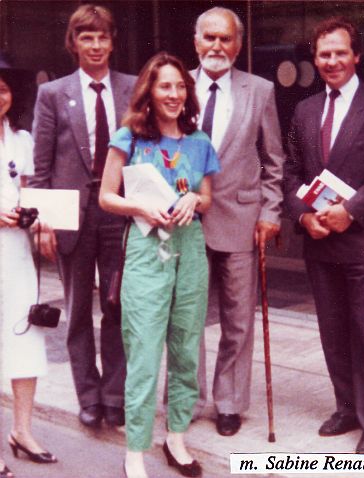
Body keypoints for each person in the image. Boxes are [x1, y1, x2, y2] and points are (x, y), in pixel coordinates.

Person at [283, 17, 364, 454]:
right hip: (319, 240)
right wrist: (303, 217)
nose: (331, 61)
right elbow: (291, 172)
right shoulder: (304, 110)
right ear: (314, 59)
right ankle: (347, 408)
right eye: (323, 54)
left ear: (357, 55)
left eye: (340, 52)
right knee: (333, 330)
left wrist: (349, 213)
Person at [99, 52, 219, 478]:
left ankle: (177, 437)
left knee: (186, 348)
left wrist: (193, 199)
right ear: (149, 90)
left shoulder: (199, 141)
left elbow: (205, 197)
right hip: (146, 250)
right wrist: (142, 208)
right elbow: (106, 197)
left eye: (180, 86)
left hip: (190, 248)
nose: (173, 94)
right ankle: (135, 450)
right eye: (165, 85)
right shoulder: (129, 137)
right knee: (145, 351)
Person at [29, 4, 135, 428]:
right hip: (71, 217)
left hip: (118, 211)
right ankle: (87, 397)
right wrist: (42, 221)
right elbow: (40, 168)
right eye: (86, 37)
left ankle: (114, 395)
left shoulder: (131, 88)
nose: (95, 45)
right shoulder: (53, 93)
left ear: (113, 42)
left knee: (117, 306)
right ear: (73, 44)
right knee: (76, 312)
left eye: (102, 37)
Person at [190, 6, 285, 436]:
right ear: (196, 42)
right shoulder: (175, 86)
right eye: (209, 37)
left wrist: (269, 212)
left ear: (239, 45)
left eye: (225, 39)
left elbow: (273, 160)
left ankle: (229, 402)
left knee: (238, 319)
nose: (216, 46)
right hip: (186, 221)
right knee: (187, 317)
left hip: (241, 219)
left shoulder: (260, 90)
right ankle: (187, 398)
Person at [0, 60, 57, 478]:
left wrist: (36, 217)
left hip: (18, 257)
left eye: (3, 88)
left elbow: (34, 191)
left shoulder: (21, 140)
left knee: (26, 342)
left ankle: (22, 431)